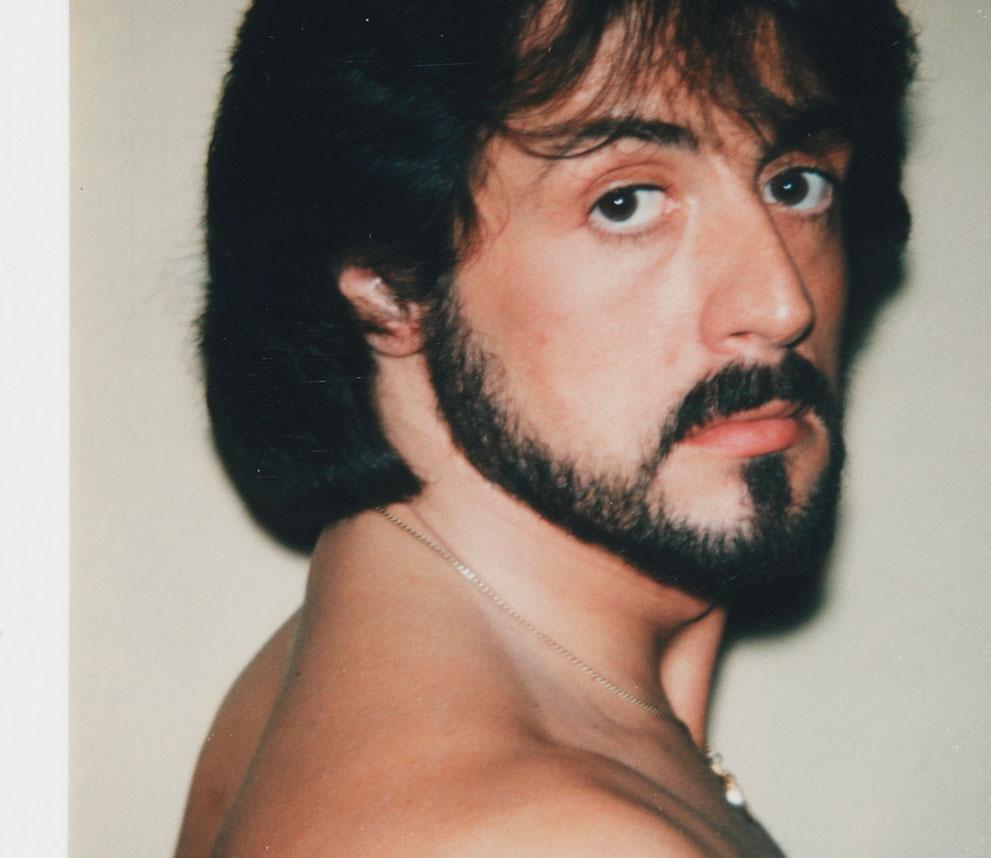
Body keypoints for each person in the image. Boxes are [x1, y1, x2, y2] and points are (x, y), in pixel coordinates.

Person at [176, 0, 917, 854]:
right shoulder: (565, 837)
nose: (782, 304)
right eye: (627, 202)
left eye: (794, 184)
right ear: (388, 280)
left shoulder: (316, 677)